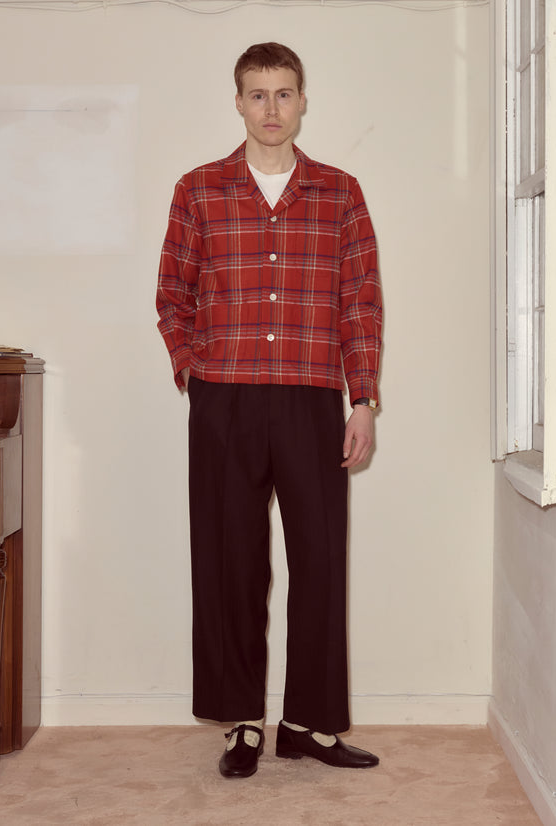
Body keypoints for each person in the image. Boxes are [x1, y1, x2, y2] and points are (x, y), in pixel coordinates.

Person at [157, 42, 382, 778]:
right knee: (231, 564)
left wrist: (364, 400)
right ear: (238, 101)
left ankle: (309, 725)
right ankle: (243, 723)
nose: (272, 109)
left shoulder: (340, 193)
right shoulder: (199, 190)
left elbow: (361, 306)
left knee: (320, 562)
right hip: (226, 400)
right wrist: (196, 374)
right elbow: (173, 298)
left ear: (303, 100)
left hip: (313, 398)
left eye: (284, 94)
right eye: (258, 95)